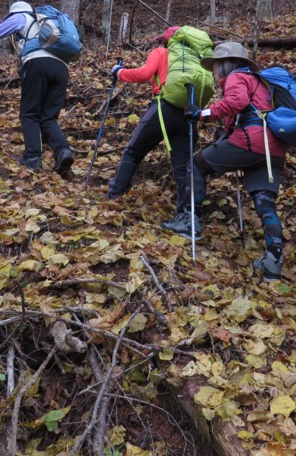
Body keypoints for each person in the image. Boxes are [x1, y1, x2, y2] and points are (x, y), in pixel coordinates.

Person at [181, 42, 286, 281]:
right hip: (274, 148)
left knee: (196, 165)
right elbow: (244, 109)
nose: (214, 72)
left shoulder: (237, 77)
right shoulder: (259, 83)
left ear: (223, 65)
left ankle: (189, 222)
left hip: (251, 140)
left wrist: (201, 114)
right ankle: (273, 263)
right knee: (264, 203)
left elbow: (236, 101)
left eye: (215, 67)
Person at [106, 26, 196, 229]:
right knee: (183, 167)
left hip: (163, 108)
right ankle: (185, 216)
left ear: (165, 41)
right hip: (189, 114)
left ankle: (115, 195)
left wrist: (120, 73)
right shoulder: (194, 60)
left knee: (133, 152)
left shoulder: (161, 52)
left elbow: (145, 73)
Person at [0, 1, 74, 175]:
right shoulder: (46, 23)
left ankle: (32, 157)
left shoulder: (21, 17)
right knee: (48, 117)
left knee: (29, 113)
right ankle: (62, 151)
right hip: (62, 68)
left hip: (38, 63)